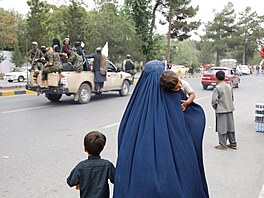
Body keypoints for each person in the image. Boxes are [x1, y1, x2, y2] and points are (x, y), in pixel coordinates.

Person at [113, 60, 209, 197]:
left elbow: (124, 133)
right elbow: (191, 119)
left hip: (140, 168)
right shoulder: (174, 94)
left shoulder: (136, 103)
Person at [67, 131, 115, 198]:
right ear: (102, 148)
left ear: (85, 149)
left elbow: (70, 182)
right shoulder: (107, 165)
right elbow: (116, 180)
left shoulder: (81, 167)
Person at [211, 70, 237, 150]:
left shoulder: (217, 88)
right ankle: (233, 143)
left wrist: (216, 107)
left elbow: (214, 101)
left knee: (222, 128)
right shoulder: (229, 86)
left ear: (216, 78)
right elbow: (232, 98)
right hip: (229, 109)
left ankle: (223, 145)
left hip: (221, 110)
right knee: (230, 127)